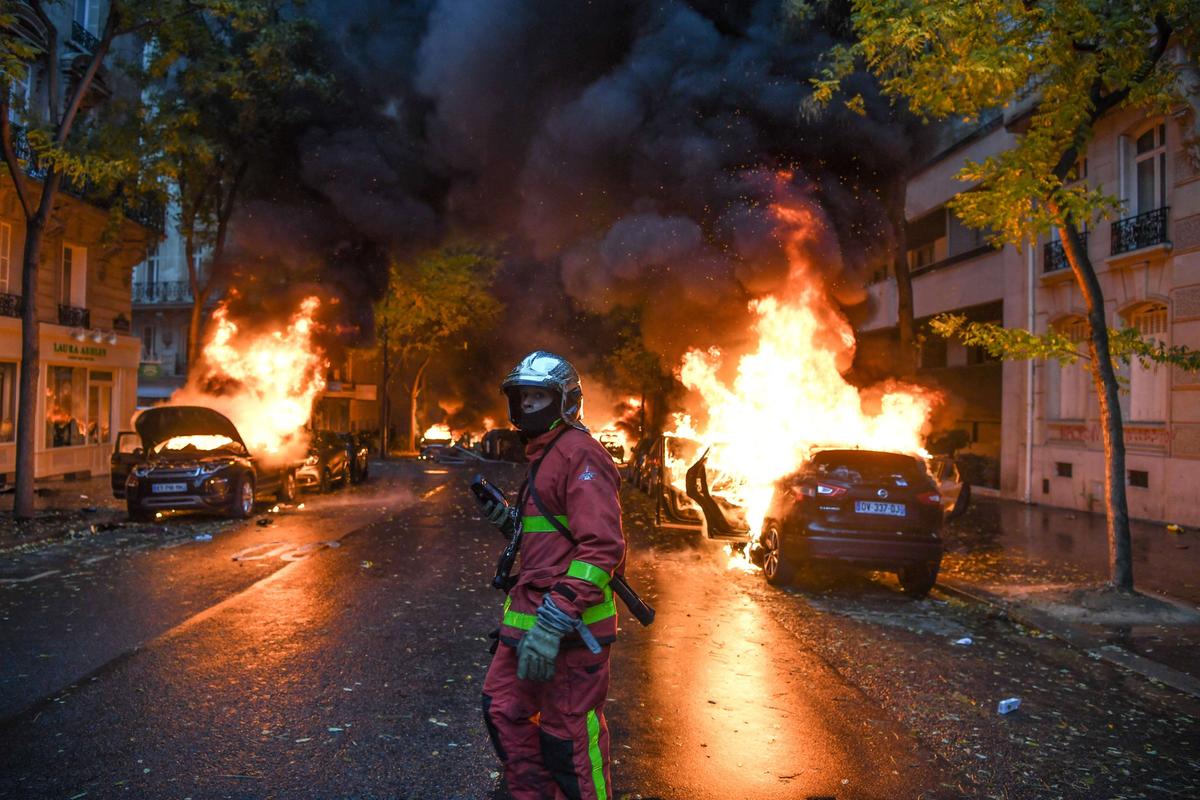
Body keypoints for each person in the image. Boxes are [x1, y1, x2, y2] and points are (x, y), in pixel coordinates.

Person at [476, 350, 626, 800]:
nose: (528, 407)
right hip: (529, 623)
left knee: (569, 742)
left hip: (568, 630)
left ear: (566, 402)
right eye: (523, 398)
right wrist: (509, 521)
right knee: (502, 710)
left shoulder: (580, 453)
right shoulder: (546, 454)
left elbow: (602, 547)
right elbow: (553, 536)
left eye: (540, 397)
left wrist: (556, 618)